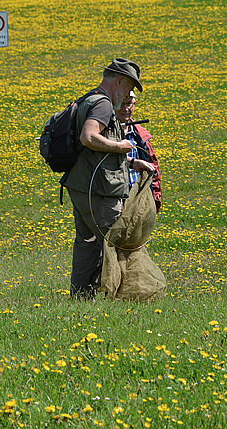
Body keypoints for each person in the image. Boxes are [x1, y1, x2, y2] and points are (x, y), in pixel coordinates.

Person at [61, 58, 156, 299]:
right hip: (99, 189)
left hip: (81, 185)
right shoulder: (103, 104)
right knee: (121, 240)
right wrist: (121, 145)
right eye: (129, 88)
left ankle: (82, 297)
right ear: (120, 81)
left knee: (88, 241)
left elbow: (94, 154)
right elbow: (89, 138)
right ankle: (130, 294)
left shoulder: (89, 98)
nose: (129, 95)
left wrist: (133, 162)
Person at [115, 91, 162, 213]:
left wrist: (155, 199)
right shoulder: (104, 134)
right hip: (113, 200)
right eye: (121, 104)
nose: (125, 108)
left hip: (138, 198)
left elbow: (153, 169)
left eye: (129, 104)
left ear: (134, 104)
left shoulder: (140, 136)